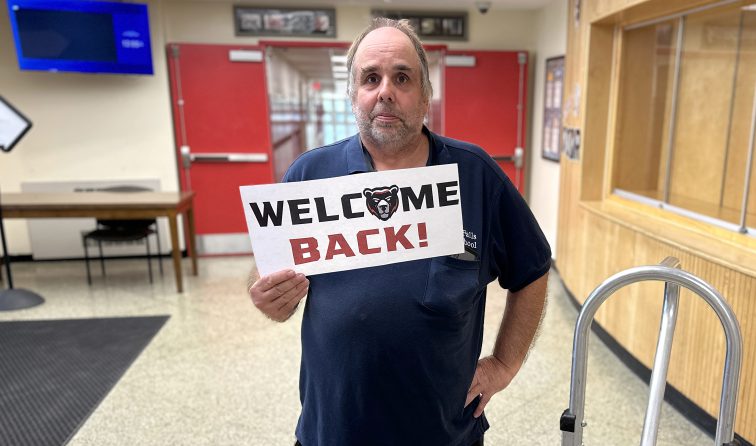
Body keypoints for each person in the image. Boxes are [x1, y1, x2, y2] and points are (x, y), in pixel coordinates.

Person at [248, 17, 551, 446]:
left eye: (402, 77)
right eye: (370, 78)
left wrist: (504, 363)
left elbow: (533, 268)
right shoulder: (310, 175)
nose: (385, 90)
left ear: (425, 95)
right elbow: (265, 275)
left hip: (443, 432)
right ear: (354, 93)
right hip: (334, 431)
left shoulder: (474, 174)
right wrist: (267, 297)